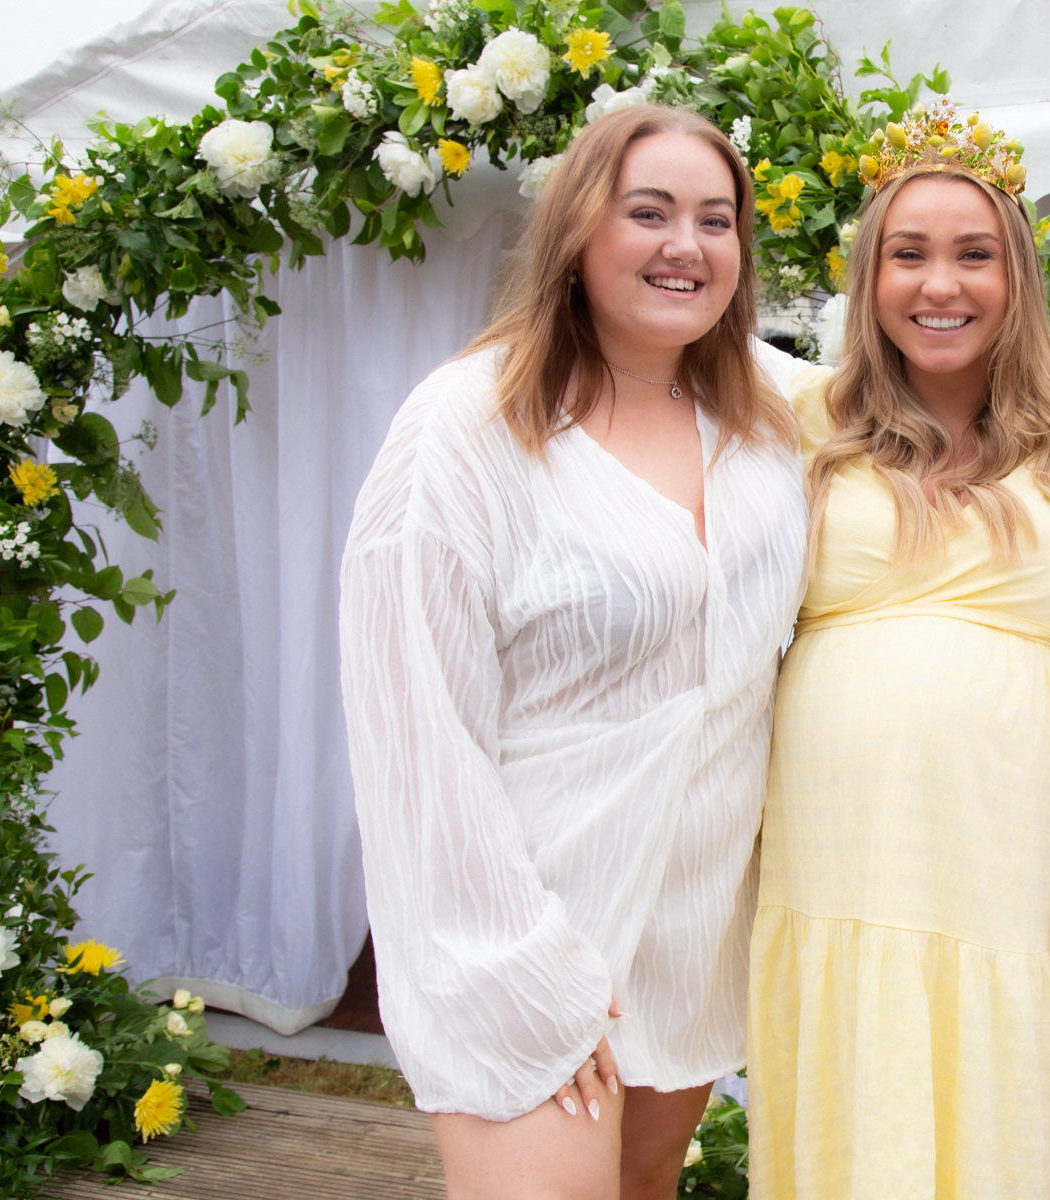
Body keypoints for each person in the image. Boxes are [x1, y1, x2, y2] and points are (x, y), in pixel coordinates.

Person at [338, 105, 806, 1200]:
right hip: (529, 920)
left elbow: (921, 393)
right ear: (578, 228)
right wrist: (526, 974)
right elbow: (418, 731)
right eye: (649, 213)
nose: (686, 245)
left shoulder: (770, 410)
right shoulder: (469, 425)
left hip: (688, 937)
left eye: (716, 220)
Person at [746, 104, 1050, 1200]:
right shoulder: (798, 421)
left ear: (1018, 278)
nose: (939, 284)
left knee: (1002, 1108)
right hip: (838, 854)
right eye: (908, 254)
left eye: (973, 255)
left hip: (1009, 861)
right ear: (869, 278)